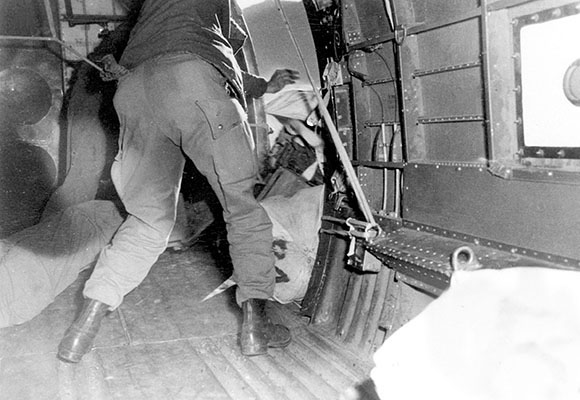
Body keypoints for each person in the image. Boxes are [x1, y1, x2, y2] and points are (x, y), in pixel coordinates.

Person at [57, 0, 300, 363]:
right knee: (242, 209)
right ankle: (255, 329)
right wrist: (264, 83)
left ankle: (82, 330)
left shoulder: (151, 7)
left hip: (136, 90)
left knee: (147, 221)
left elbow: (160, 50)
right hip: (193, 82)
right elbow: (221, 53)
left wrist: (263, 85)